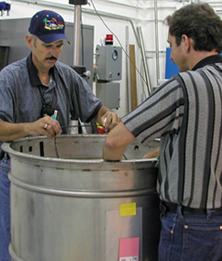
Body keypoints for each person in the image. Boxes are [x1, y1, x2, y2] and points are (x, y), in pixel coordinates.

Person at [103, 3, 222, 261]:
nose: (170, 55)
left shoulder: (183, 85)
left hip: (187, 227)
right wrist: (162, 152)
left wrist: (108, 178)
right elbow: (205, 141)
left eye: (171, 45)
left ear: (186, 42)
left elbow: (114, 140)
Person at [0, 10, 120, 260]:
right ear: (29, 41)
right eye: (46, 45)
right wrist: (29, 128)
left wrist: (108, 115)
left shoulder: (68, 77)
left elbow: (95, 109)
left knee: (58, 242)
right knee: (17, 243)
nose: (53, 52)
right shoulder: (9, 79)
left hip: (58, 175)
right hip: (16, 175)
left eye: (59, 45)